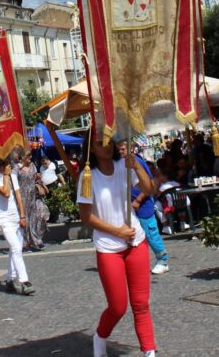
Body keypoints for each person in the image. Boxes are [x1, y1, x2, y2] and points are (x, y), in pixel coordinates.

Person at [78, 137, 157, 357]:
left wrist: (138, 168)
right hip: (108, 247)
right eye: (100, 142)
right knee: (118, 306)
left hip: (135, 242)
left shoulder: (125, 164)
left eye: (108, 140)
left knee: (141, 303)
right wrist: (117, 231)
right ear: (91, 149)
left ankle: (149, 352)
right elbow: (86, 216)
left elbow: (149, 190)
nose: (107, 145)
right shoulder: (88, 176)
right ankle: (100, 336)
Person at [0, 154, 34, 295]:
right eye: (7, 164)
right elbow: (6, 193)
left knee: (15, 249)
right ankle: (24, 281)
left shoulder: (12, 176)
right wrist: (5, 176)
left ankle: (10, 279)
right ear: (1, 166)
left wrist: (22, 215)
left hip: (15, 216)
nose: (10, 166)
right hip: (3, 218)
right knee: (16, 247)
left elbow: (18, 195)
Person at [129, 154, 169, 275]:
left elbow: (151, 184)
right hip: (132, 206)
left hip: (143, 206)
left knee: (151, 234)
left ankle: (163, 260)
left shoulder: (137, 161)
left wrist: (138, 200)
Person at [16, 152, 49, 251]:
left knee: (41, 214)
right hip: (22, 197)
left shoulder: (33, 166)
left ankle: (36, 238)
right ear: (22, 157)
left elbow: (34, 178)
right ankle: (29, 243)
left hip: (34, 195)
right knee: (26, 220)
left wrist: (38, 178)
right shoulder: (17, 168)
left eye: (31, 155)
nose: (30, 157)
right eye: (28, 155)